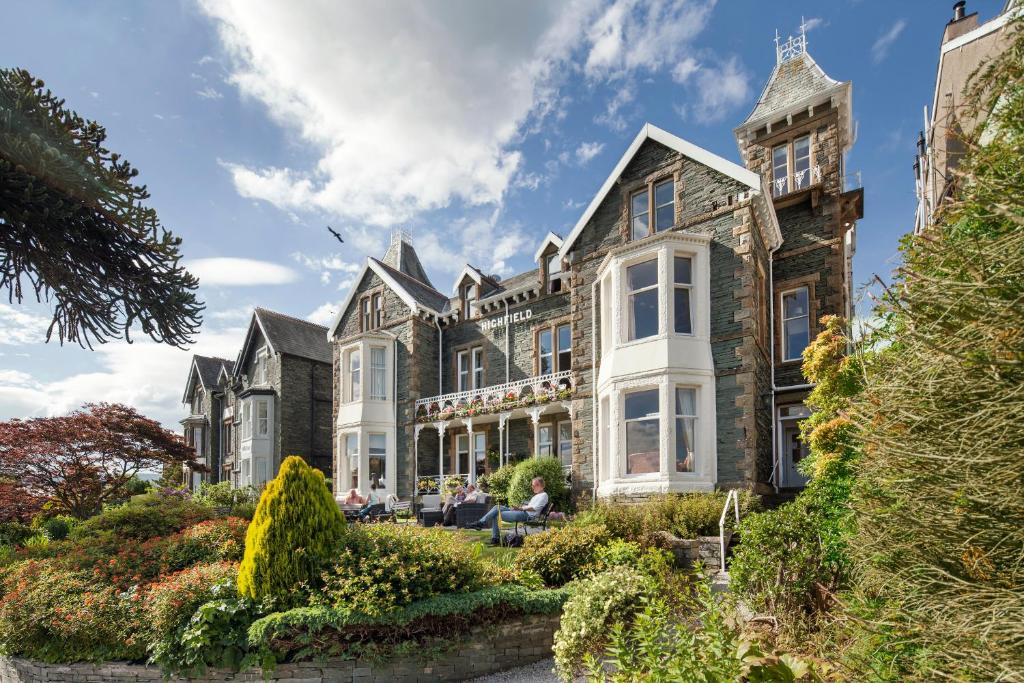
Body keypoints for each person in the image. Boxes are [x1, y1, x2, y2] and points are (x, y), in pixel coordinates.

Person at [470, 477, 548, 546]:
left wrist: (521, 509)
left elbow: (535, 508)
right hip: (522, 512)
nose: (532, 487)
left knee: (497, 514)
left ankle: (485, 528)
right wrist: (519, 508)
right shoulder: (537, 495)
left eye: (533, 485)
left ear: (539, 485)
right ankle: (485, 528)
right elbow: (529, 507)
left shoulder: (544, 495)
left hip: (526, 515)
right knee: (497, 507)